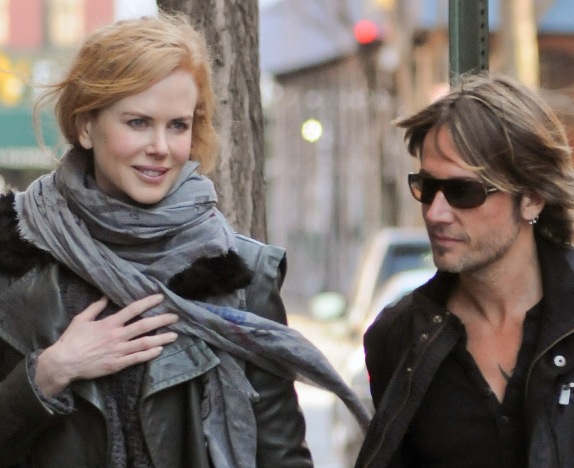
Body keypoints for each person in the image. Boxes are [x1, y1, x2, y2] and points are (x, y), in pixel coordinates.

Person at [0, 13, 369, 468]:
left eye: (177, 125)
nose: (161, 147)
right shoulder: (15, 257)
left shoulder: (239, 274)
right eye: (138, 122)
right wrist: (49, 373)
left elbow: (281, 456)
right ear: (85, 127)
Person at [355, 72, 574, 467]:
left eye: (463, 191)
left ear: (532, 198)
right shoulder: (398, 337)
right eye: (427, 187)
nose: (436, 213)